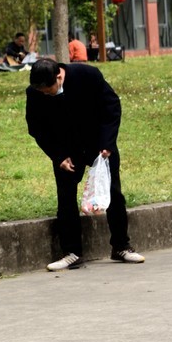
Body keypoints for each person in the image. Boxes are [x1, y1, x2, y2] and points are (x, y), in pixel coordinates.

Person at [25, 57, 145, 272]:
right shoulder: (34, 92)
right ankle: (72, 252)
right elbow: (36, 128)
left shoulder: (88, 75)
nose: (45, 93)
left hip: (99, 144)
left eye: (48, 89)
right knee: (66, 196)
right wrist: (58, 156)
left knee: (113, 193)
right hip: (66, 150)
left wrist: (107, 144)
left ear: (59, 76)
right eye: (41, 90)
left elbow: (112, 106)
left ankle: (121, 246)